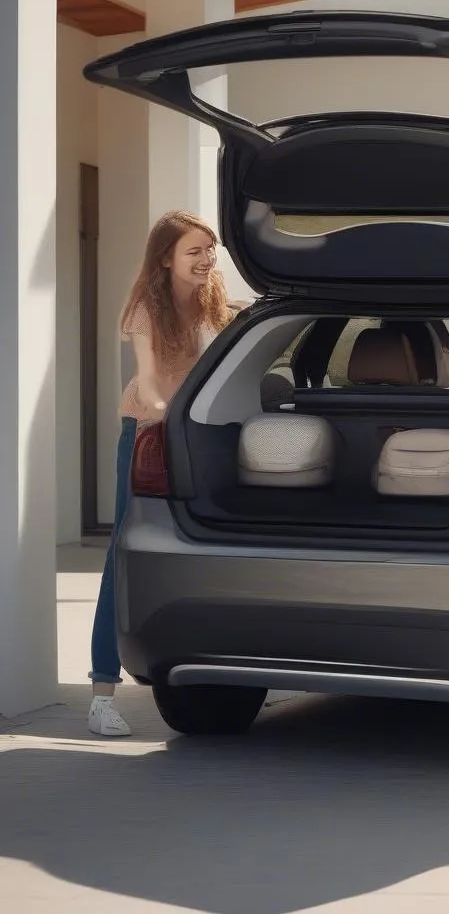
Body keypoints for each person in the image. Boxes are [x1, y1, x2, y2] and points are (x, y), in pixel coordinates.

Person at [88, 211, 234, 736]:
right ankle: (103, 692)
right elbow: (148, 382)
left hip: (197, 433)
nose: (206, 259)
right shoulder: (146, 307)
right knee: (123, 555)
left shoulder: (216, 300)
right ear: (166, 257)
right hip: (148, 432)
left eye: (210, 249)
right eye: (194, 251)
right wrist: (173, 416)